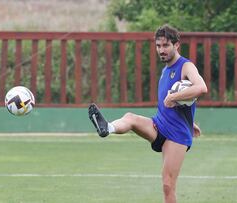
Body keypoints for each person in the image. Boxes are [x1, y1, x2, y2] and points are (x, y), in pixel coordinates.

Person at [88, 24, 207, 203]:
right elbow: (181, 104)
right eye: (158, 46)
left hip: (177, 135)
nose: (161, 50)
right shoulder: (165, 70)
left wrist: (174, 98)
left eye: (166, 45)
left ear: (176, 46)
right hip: (159, 124)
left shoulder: (186, 66)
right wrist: (188, 117)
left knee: (168, 185)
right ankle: (107, 127)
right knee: (130, 118)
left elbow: (201, 88)